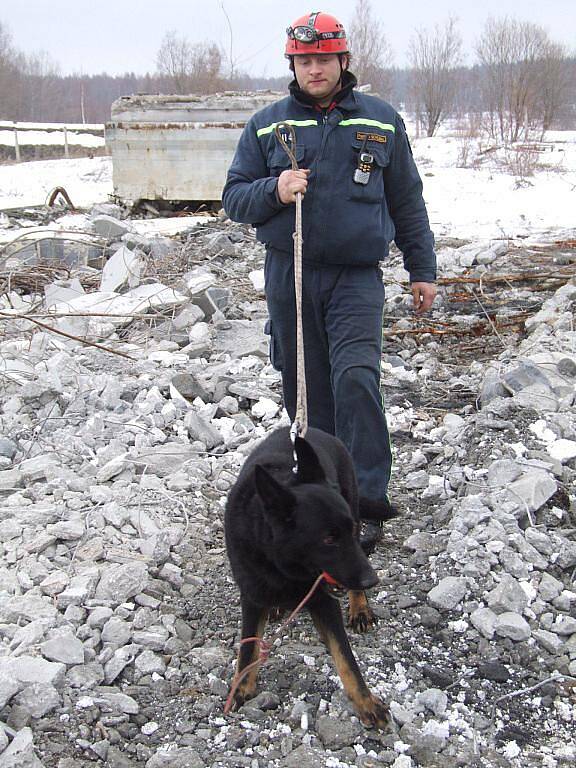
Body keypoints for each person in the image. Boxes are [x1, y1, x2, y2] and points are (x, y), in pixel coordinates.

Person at [222, 11, 436, 549]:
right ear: (293, 65)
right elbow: (234, 199)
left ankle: (366, 503)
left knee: (357, 379)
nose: (314, 69)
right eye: (304, 61)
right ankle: (319, 499)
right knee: (306, 391)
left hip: (357, 278)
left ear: (344, 61)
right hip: (289, 275)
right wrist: (275, 188)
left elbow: (406, 200)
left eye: (323, 59)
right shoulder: (268, 125)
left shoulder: (382, 120)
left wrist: (422, 270)